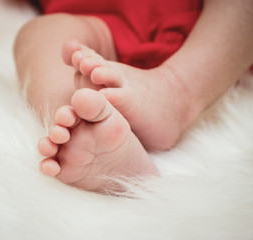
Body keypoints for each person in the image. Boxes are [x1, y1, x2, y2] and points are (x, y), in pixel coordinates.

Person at [14, 0, 253, 192]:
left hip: (203, 29)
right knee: (38, 34)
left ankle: (178, 91)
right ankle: (84, 127)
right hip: (95, 28)